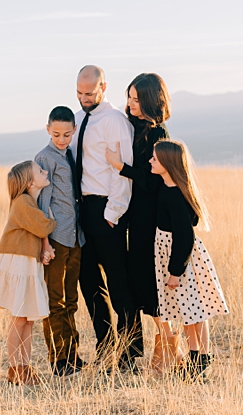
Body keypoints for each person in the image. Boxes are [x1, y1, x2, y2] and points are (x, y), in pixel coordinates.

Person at [71, 64, 140, 371]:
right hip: (82, 209)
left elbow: (123, 170)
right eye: (79, 93)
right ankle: (106, 344)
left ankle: (129, 352)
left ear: (103, 87)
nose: (84, 98)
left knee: (118, 282)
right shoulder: (76, 120)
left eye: (89, 93)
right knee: (88, 280)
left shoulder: (115, 121)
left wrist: (113, 213)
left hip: (108, 211)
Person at [105, 73, 174, 375]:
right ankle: (158, 353)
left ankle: (169, 353)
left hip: (150, 220)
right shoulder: (128, 126)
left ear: (150, 100)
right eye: (129, 97)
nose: (130, 103)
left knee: (151, 288)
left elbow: (152, 182)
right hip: (132, 217)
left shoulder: (159, 135)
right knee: (139, 286)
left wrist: (122, 168)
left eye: (136, 99)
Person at [150, 140, 228, 380]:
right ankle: (200, 358)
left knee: (191, 312)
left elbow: (184, 236)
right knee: (192, 311)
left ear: (167, 163)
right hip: (175, 256)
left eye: (154, 158)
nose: (150, 161)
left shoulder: (174, 196)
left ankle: (198, 362)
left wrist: (175, 271)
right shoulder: (168, 187)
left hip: (180, 260)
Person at [0, 160, 57, 386]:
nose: (45, 172)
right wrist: (52, 219)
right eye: (40, 171)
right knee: (19, 319)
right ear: (29, 183)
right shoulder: (23, 202)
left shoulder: (29, 202)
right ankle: (15, 368)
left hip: (27, 263)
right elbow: (44, 226)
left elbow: (39, 229)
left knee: (27, 320)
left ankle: (25, 367)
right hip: (19, 263)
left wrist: (45, 246)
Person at [34, 106, 86, 377]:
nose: (62, 139)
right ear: (48, 130)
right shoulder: (45, 158)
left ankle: (73, 355)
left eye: (67, 134)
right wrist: (45, 244)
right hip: (55, 239)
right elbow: (43, 204)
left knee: (72, 300)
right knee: (55, 301)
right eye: (56, 134)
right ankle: (58, 360)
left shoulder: (71, 155)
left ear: (74, 131)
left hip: (75, 237)